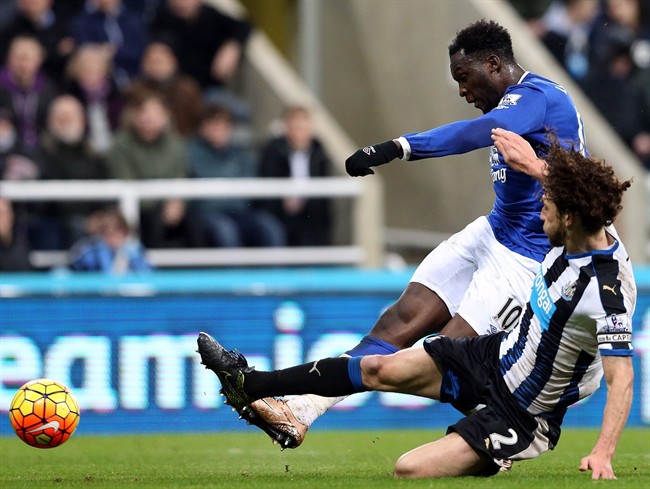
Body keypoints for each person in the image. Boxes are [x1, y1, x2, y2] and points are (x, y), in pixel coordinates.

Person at [197, 131, 636, 479]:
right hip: (494, 355)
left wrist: (602, 451)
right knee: (379, 366)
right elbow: (579, 187)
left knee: (410, 469)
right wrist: (536, 168)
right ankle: (247, 382)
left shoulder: (604, 289)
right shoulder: (581, 219)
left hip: (523, 412)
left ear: (571, 218)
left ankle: (489, 452)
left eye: (548, 208)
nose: (540, 216)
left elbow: (621, 379)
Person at [241, 19, 591, 449]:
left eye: (464, 78)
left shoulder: (540, 98)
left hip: (524, 261)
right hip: (491, 231)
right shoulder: (518, 102)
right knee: (397, 322)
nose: (463, 91)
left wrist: (397, 147)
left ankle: (514, 416)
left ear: (495, 64)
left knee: (443, 356)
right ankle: (300, 410)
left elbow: (478, 133)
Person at [105, 89, 199, 248]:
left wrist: (176, 202)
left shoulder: (175, 144)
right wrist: (163, 203)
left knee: (196, 223)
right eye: (143, 112)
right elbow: (125, 182)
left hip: (170, 205)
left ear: (166, 116)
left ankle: (201, 270)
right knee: (154, 222)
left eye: (155, 113)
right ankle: (147, 270)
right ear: (133, 115)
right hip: (139, 208)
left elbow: (180, 175)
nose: (148, 118)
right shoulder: (120, 146)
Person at [186, 104, 286, 248]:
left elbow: (252, 182)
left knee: (270, 228)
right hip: (208, 213)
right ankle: (235, 271)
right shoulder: (191, 153)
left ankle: (274, 271)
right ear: (203, 127)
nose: (218, 130)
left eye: (223, 125)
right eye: (214, 124)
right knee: (226, 231)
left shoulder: (240, 154)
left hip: (240, 212)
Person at [36, 95, 108, 250]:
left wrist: (100, 216)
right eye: (61, 118)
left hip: (93, 217)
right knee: (75, 226)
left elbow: (105, 188)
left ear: (82, 120)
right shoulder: (43, 154)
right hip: (59, 221)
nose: (66, 122)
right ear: (50, 121)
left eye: (70, 117)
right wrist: (86, 219)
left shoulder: (93, 155)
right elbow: (50, 201)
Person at [258, 106, 333, 246]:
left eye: (302, 126)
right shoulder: (273, 150)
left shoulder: (320, 153)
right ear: (286, 127)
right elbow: (268, 182)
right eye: (294, 125)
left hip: (310, 211)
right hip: (279, 211)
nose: (298, 130)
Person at [69, 206, 152, 274]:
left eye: (117, 228)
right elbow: (77, 263)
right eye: (105, 229)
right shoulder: (92, 250)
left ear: (125, 230)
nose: (111, 233)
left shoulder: (134, 250)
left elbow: (146, 275)